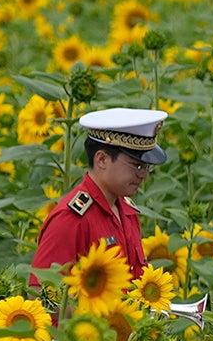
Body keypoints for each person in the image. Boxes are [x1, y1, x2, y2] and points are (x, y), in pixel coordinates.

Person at [32, 105, 166, 286]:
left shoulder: (126, 210)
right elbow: (43, 292)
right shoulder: (70, 219)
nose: (143, 174)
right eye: (137, 165)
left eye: (146, 167)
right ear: (102, 159)